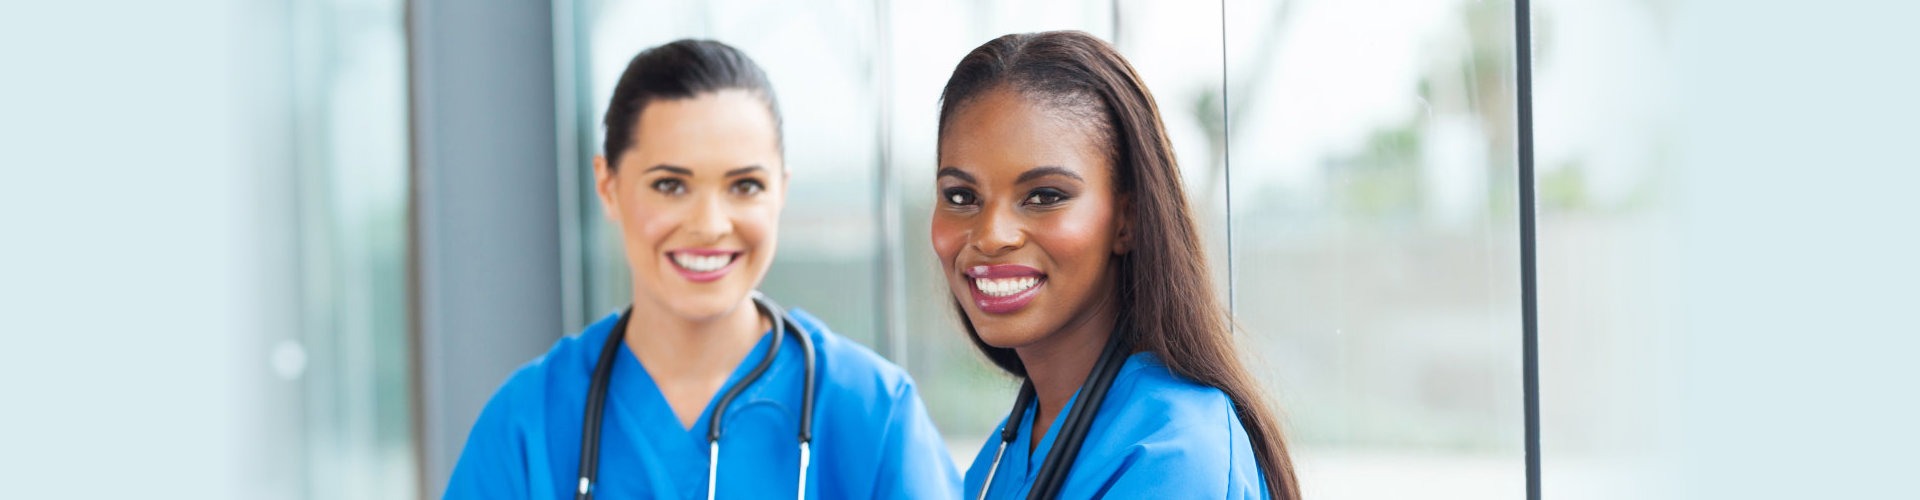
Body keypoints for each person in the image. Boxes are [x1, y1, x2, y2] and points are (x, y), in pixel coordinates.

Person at [445, 39, 959, 500]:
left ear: (781, 188)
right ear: (607, 186)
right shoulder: (527, 422)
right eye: (670, 185)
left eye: (745, 186)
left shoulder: (870, 412)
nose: (710, 225)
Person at [931, 31, 1300, 500]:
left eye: (1045, 196)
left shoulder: (1175, 452)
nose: (990, 235)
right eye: (962, 197)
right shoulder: (1007, 450)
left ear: (1127, 218)